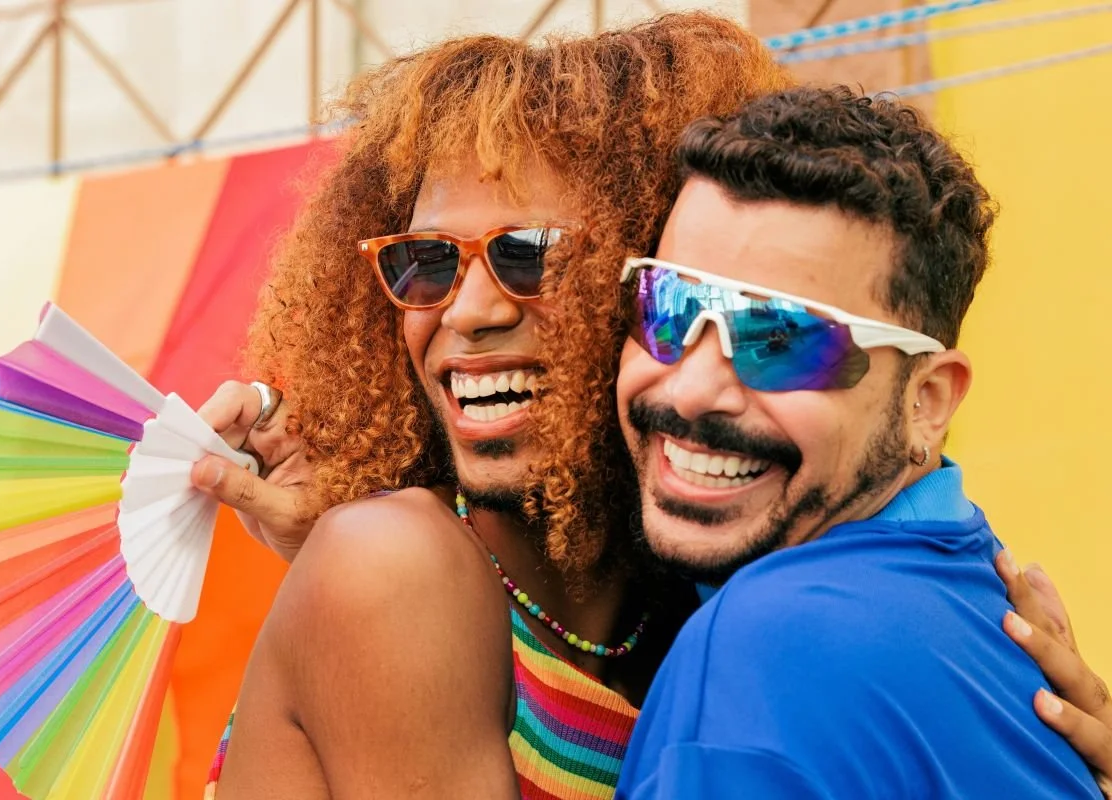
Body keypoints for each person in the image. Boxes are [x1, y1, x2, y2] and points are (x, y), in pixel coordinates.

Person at [190, 14, 1112, 800]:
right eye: (425, 263)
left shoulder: (700, 587)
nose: (465, 314)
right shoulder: (393, 563)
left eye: (530, 256)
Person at [613, 85, 1107, 797]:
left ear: (926, 403)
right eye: (667, 307)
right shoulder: (970, 597)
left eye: (781, 338)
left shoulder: (762, 650)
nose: (690, 389)